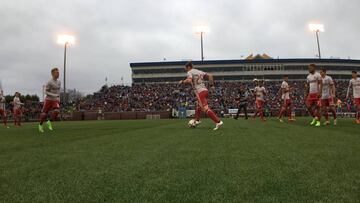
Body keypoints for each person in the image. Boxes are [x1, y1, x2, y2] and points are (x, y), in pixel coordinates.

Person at [179, 61, 223, 130]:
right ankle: (197, 120)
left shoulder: (190, 72)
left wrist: (182, 81)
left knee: (205, 109)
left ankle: (218, 122)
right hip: (205, 91)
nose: (186, 70)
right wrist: (211, 85)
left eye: (186, 68)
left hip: (200, 92)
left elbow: (189, 80)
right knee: (198, 105)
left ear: (189, 67)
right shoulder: (199, 71)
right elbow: (210, 76)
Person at [38, 68, 61, 133]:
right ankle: (40, 125)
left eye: (58, 72)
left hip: (55, 100)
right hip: (48, 99)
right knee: (44, 114)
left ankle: (49, 122)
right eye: (57, 72)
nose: (58, 74)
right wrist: (54, 95)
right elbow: (46, 92)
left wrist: (58, 98)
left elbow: (58, 91)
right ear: (52, 74)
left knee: (57, 111)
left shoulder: (59, 82)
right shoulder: (49, 82)